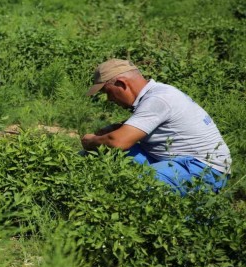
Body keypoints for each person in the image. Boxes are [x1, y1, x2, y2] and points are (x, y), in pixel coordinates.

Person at [81, 58, 231, 196]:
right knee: (100, 154)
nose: (109, 99)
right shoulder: (157, 93)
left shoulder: (158, 99)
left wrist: (92, 140)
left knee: (134, 183)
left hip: (202, 169)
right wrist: (114, 129)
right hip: (179, 162)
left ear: (121, 84)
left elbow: (118, 142)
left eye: (108, 92)